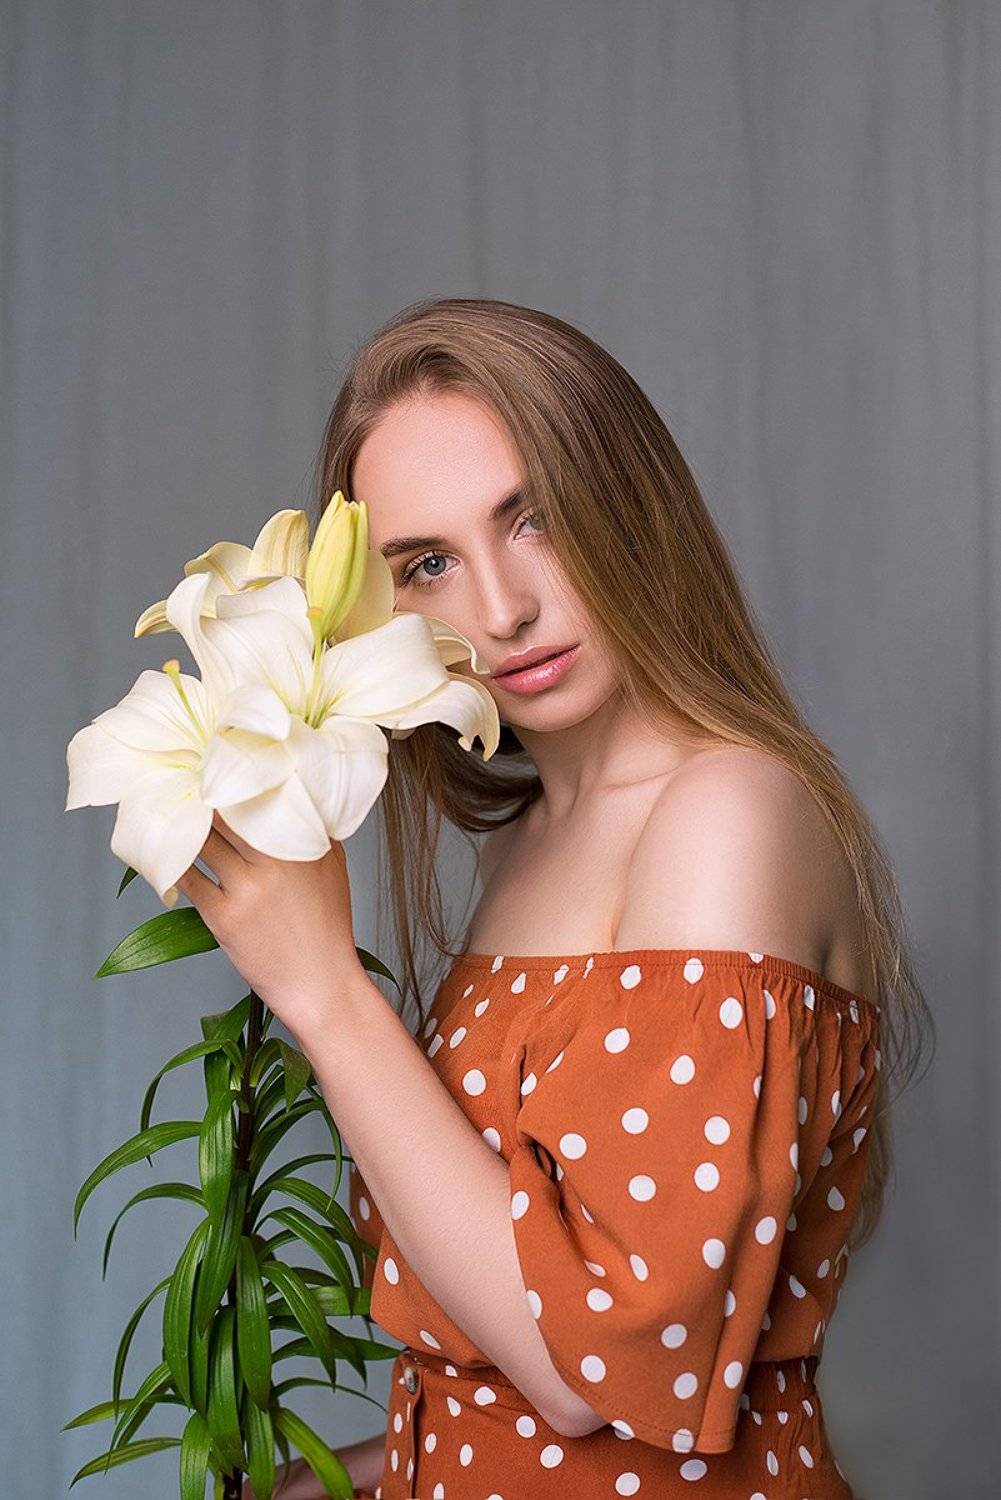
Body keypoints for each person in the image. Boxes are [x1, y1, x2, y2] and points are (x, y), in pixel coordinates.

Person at [242, 296, 934, 1498]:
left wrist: (325, 998)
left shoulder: (725, 813)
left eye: (537, 518)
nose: (500, 609)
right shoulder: (529, 840)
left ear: (633, 502)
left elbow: (595, 1366)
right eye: (427, 564)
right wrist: (346, 1475)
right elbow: (510, 1386)